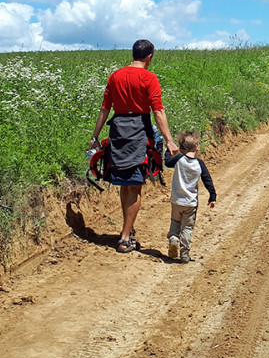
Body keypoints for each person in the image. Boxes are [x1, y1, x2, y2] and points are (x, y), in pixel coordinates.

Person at [89, 39, 180, 253]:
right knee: (135, 184)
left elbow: (104, 109)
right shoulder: (149, 77)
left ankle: (126, 229)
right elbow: (157, 111)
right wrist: (169, 139)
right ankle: (125, 237)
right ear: (149, 56)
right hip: (139, 130)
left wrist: (95, 136)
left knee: (124, 183)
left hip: (118, 129)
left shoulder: (115, 76)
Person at [164, 130, 216, 263]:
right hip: (191, 203)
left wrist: (169, 152)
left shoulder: (179, 159)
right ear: (197, 148)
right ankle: (184, 253)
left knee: (175, 221)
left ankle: (173, 239)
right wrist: (212, 195)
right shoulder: (199, 164)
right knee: (187, 227)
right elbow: (207, 180)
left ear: (181, 148)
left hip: (176, 200)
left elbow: (168, 163)